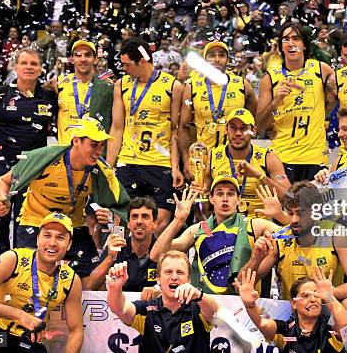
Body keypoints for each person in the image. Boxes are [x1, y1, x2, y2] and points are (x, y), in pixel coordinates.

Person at [0, 116, 130, 285]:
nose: (99, 151)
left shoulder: (101, 171)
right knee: (27, 281)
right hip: (36, 223)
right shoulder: (44, 159)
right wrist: (2, 199)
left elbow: (121, 206)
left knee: (93, 280)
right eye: (94, 145)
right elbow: (3, 181)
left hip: (73, 226)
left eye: (102, 146)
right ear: (76, 141)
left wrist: (114, 229)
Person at [0, 48, 57, 270]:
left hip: (33, 176)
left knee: (26, 233)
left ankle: (21, 286)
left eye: (34, 64)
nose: (29, 67)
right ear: (15, 67)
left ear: (41, 69)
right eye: (24, 63)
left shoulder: (50, 98)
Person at [240, 181, 347, 308]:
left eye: (300, 213)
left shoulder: (336, 234)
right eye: (290, 213)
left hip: (327, 309)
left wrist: (328, 293)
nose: (294, 220)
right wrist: (257, 259)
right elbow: (241, 285)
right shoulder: (280, 239)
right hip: (292, 313)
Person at [0, 213, 83, 353]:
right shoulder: (13, 259)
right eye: (47, 235)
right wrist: (19, 315)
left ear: (69, 244)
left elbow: (76, 330)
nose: (52, 243)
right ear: (37, 239)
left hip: (30, 342)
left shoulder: (71, 279)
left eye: (60, 237)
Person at [150, 176, 280, 295]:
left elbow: (293, 233)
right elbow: (156, 255)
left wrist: (278, 215)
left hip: (242, 303)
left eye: (230, 194)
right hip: (203, 302)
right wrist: (178, 221)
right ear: (211, 199)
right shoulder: (198, 229)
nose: (225, 199)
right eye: (219, 194)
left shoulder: (254, 225)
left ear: (238, 199)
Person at [108, 37, 185, 234]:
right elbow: (117, 127)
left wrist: (176, 167)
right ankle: (123, 263)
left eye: (127, 65)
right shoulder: (121, 85)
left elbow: (176, 131)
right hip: (129, 160)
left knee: (159, 224)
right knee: (124, 222)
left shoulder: (172, 86)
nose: (124, 69)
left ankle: (153, 264)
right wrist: (109, 166)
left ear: (142, 61)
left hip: (159, 162)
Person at [256, 22, 338, 183]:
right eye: (286, 39)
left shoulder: (322, 69)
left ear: (305, 45)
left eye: (296, 38)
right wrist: (275, 102)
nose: (291, 43)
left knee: (313, 208)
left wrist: (320, 112)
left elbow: (336, 97)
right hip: (281, 158)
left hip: (315, 158)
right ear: (281, 46)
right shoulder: (270, 78)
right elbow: (259, 126)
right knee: (284, 208)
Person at [106, 250, 219, 353]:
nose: (174, 277)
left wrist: (198, 295)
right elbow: (120, 309)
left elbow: (215, 311)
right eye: (168, 272)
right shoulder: (147, 309)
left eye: (180, 272)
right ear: (158, 278)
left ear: (189, 279)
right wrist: (115, 288)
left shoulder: (199, 307)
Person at [178, 40, 257, 180]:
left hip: (235, 159)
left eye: (221, 55)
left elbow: (253, 120)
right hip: (203, 159)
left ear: (227, 59)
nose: (216, 59)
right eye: (211, 55)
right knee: (204, 201)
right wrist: (186, 160)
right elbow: (183, 127)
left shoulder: (242, 85)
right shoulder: (193, 86)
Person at [236, 266, 347, 353]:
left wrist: (330, 298)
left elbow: (343, 325)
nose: (313, 299)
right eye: (305, 296)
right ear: (294, 303)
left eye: (316, 294)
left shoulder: (329, 330)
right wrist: (250, 305)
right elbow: (264, 323)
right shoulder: (285, 331)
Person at [207, 108, 290, 223]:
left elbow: (289, 198)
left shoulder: (268, 158)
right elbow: (205, 199)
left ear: (253, 131)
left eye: (244, 128)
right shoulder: (212, 156)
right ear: (226, 129)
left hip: (259, 228)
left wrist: (260, 176)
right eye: (233, 127)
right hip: (224, 227)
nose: (238, 133)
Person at [47, 40, 114, 145]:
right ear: (72, 59)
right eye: (78, 55)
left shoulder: (107, 88)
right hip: (66, 155)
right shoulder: (58, 83)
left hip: (93, 154)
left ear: (95, 59)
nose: (83, 59)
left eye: (88, 55)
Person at [85, 196, 159, 291]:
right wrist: (110, 257)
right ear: (128, 223)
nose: (139, 221)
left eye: (145, 216)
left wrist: (157, 289)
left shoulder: (161, 249)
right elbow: (91, 286)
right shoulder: (116, 246)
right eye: (134, 217)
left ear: (155, 223)